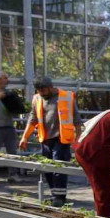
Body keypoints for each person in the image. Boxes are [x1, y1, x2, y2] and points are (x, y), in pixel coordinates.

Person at [20, 77, 83, 206]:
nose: (41, 93)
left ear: (50, 87)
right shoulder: (37, 98)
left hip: (61, 138)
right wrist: (24, 137)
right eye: (39, 90)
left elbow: (77, 120)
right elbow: (32, 119)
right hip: (45, 139)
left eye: (43, 90)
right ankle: (55, 195)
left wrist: (78, 139)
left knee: (58, 166)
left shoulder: (66, 96)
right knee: (47, 167)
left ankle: (60, 197)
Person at [0, 71, 22, 182]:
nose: (7, 80)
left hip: (9, 125)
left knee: (12, 151)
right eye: (4, 78)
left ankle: (13, 174)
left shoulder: (7, 92)